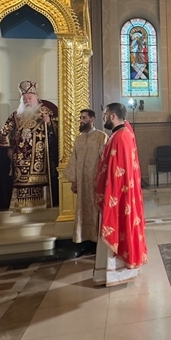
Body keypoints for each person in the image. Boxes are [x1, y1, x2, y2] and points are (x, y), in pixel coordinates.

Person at [93, 103, 148, 286]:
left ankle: (116, 272)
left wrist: (108, 195)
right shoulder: (123, 133)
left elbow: (116, 171)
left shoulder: (120, 137)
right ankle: (108, 273)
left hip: (117, 195)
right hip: (121, 193)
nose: (104, 117)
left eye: (106, 114)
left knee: (117, 228)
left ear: (113, 116)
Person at [0, 81, 57, 211]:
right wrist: (8, 149)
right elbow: (4, 132)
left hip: (39, 156)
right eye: (24, 99)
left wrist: (49, 122)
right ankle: (20, 206)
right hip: (19, 157)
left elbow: (58, 130)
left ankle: (41, 206)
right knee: (21, 181)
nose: (27, 101)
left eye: (29, 98)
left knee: (38, 180)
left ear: (36, 98)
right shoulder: (16, 115)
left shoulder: (45, 111)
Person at [63, 109, 108, 256]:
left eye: (84, 118)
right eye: (80, 118)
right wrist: (74, 180)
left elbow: (105, 161)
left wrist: (102, 181)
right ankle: (86, 242)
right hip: (82, 184)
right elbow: (74, 161)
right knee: (83, 210)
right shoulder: (79, 139)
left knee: (95, 211)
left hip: (96, 183)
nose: (81, 120)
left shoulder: (102, 137)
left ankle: (98, 242)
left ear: (92, 119)